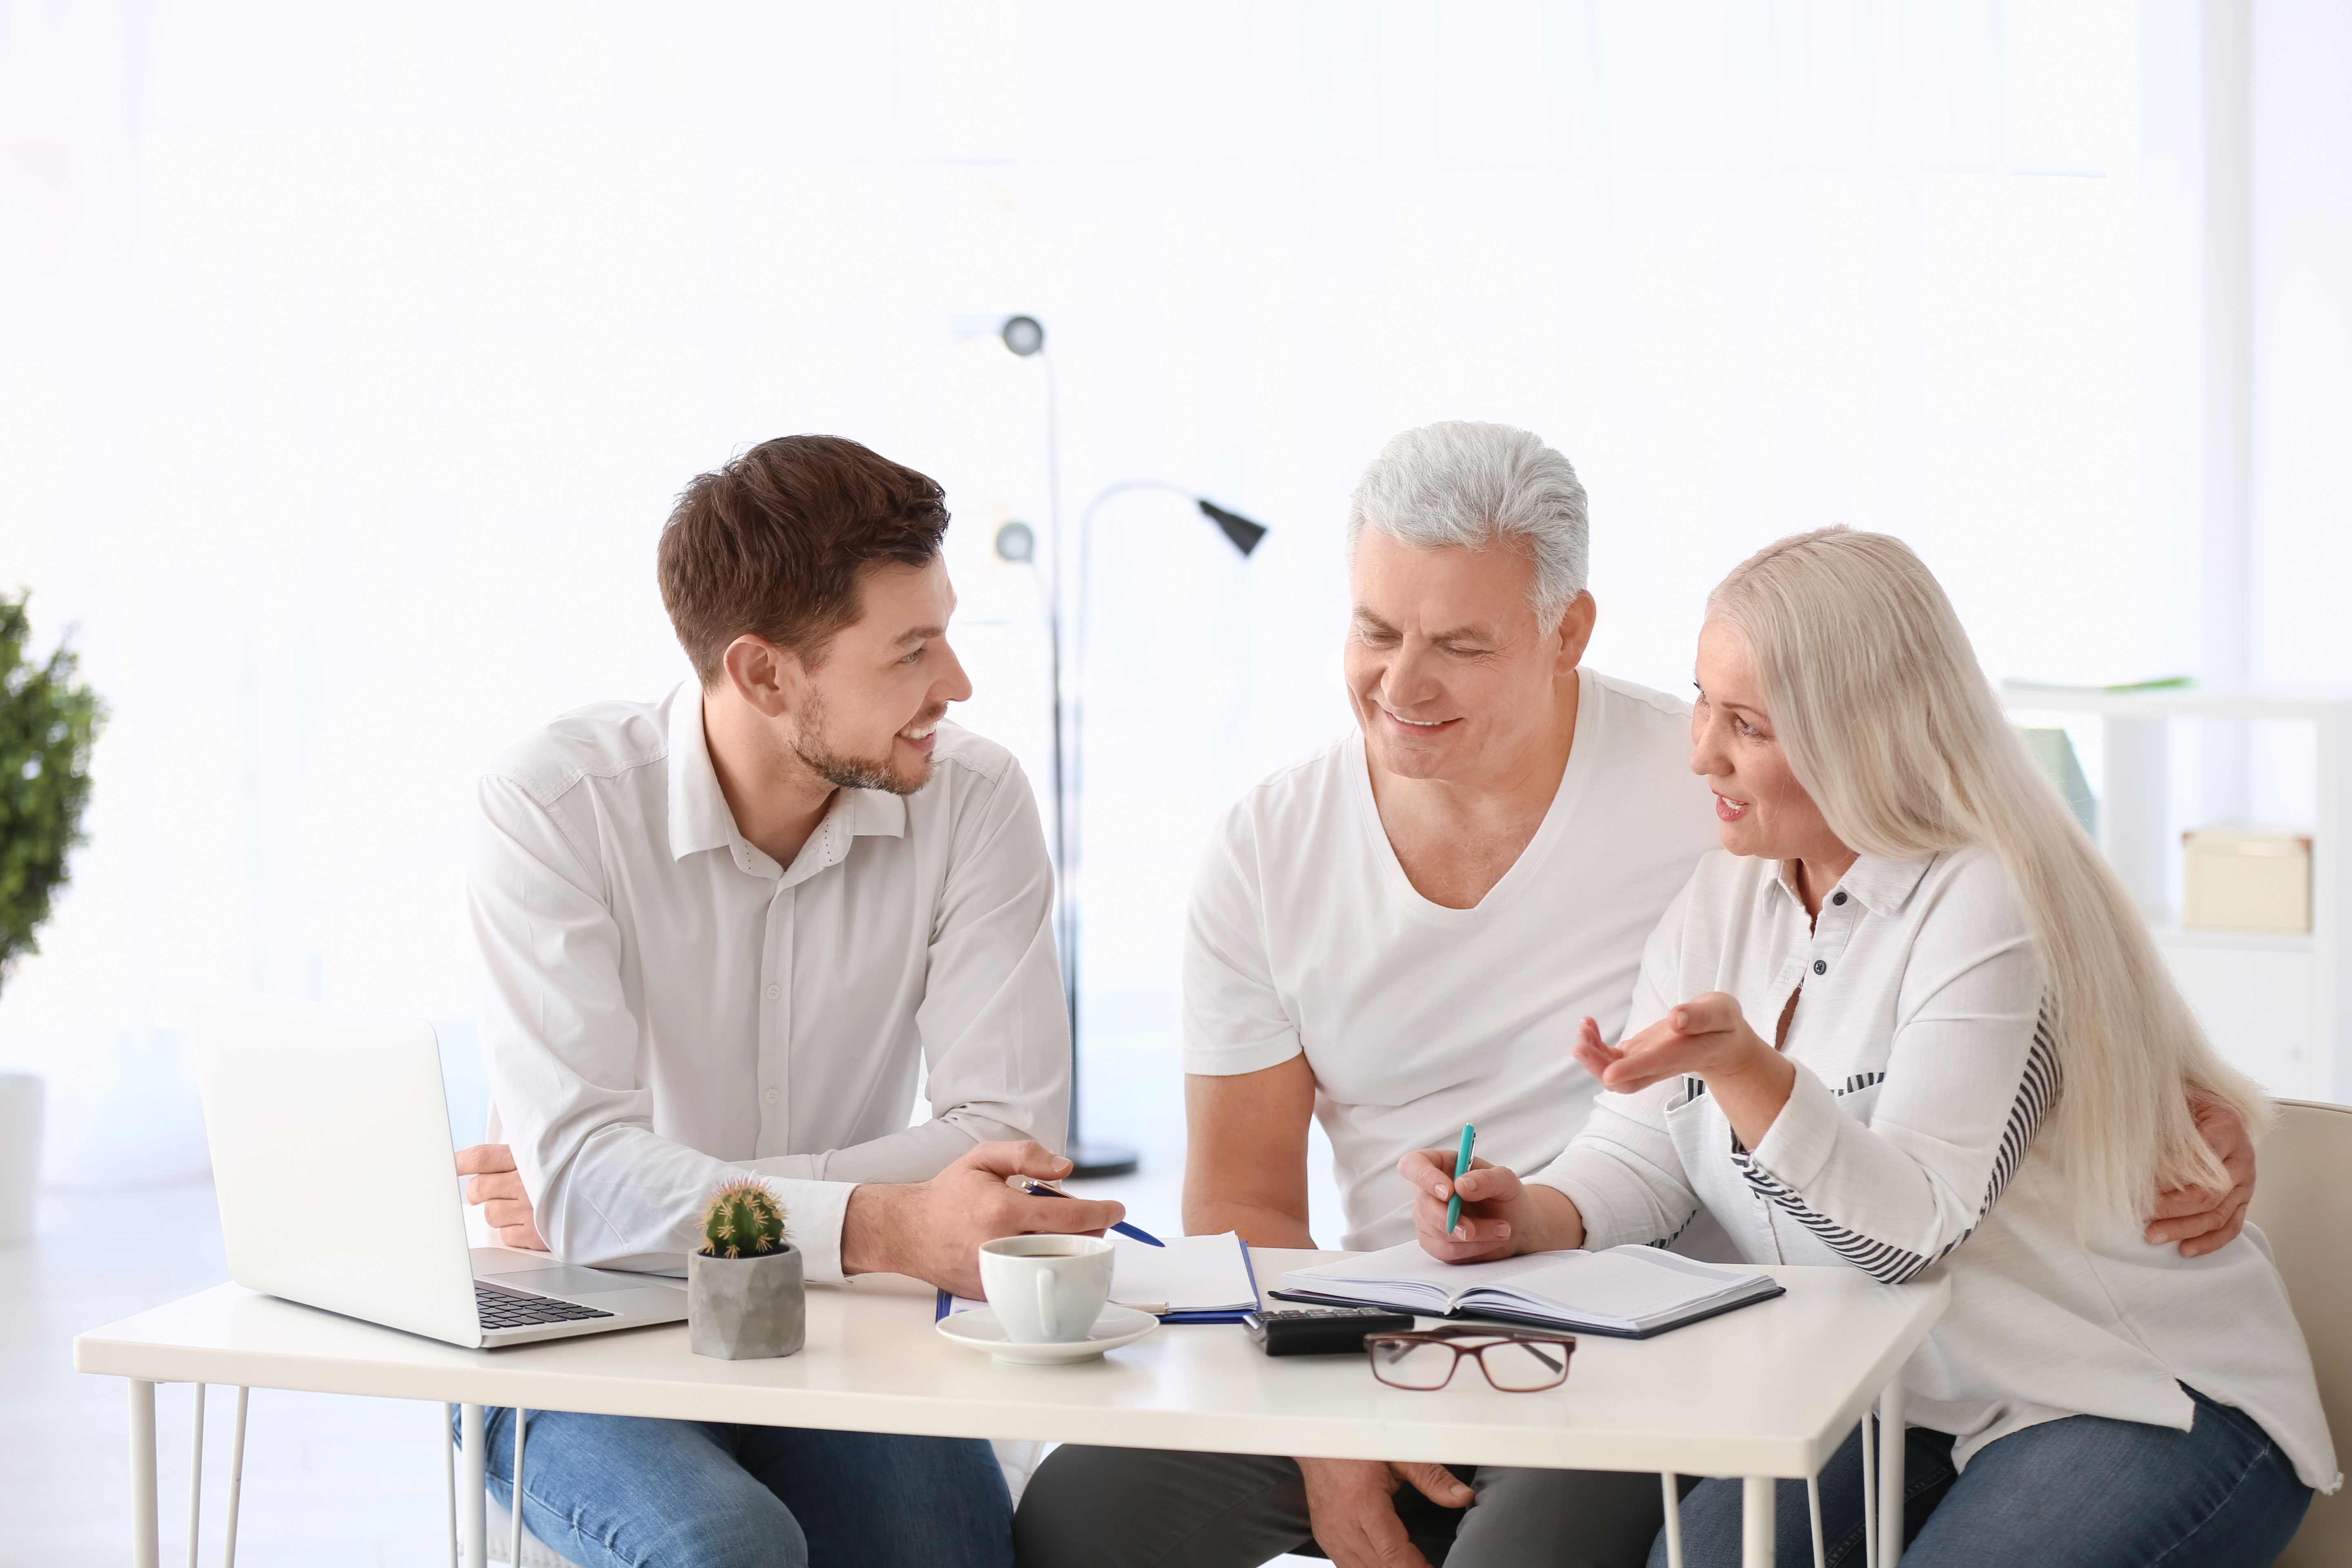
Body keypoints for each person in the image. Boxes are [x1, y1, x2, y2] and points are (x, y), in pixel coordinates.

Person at [1011, 428, 2260, 1568]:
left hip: (1922, 1368)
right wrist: (1516, 1229)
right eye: (1376, 629)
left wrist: (2181, 1093)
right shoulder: (1731, 867)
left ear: (1567, 632)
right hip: (1505, 1336)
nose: (1402, 682)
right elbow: (1631, 1146)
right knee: (1079, 1516)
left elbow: (1986, 1069)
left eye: (1459, 642)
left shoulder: (1758, 824)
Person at [1405, 528, 2338, 1567]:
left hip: (2130, 1389)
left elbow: (1909, 1234)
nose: (1700, 750)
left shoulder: (1987, 900)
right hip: (1904, 1402)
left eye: (1747, 724)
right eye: (1703, 702)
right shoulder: (1733, 891)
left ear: (1863, 734)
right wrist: (1526, 1213)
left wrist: (1749, 1071)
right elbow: (1643, 1149)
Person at [449, 435, 1123, 1568]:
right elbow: (586, 1192)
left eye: (947, 633)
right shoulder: (552, 808)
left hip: (842, 1331)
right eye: (911, 651)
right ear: (765, 674)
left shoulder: (974, 799)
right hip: (588, 1335)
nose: (956, 685)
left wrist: (635, 1189)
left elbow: (1004, 1145)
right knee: (731, 1548)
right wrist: (891, 1222)